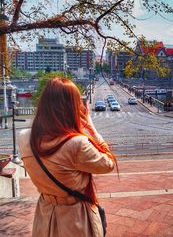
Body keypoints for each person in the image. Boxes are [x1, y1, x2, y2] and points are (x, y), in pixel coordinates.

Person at [18, 78, 117, 237]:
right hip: (75, 219)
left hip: (45, 215)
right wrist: (91, 127)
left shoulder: (24, 138)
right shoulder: (76, 144)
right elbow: (109, 163)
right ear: (72, 108)